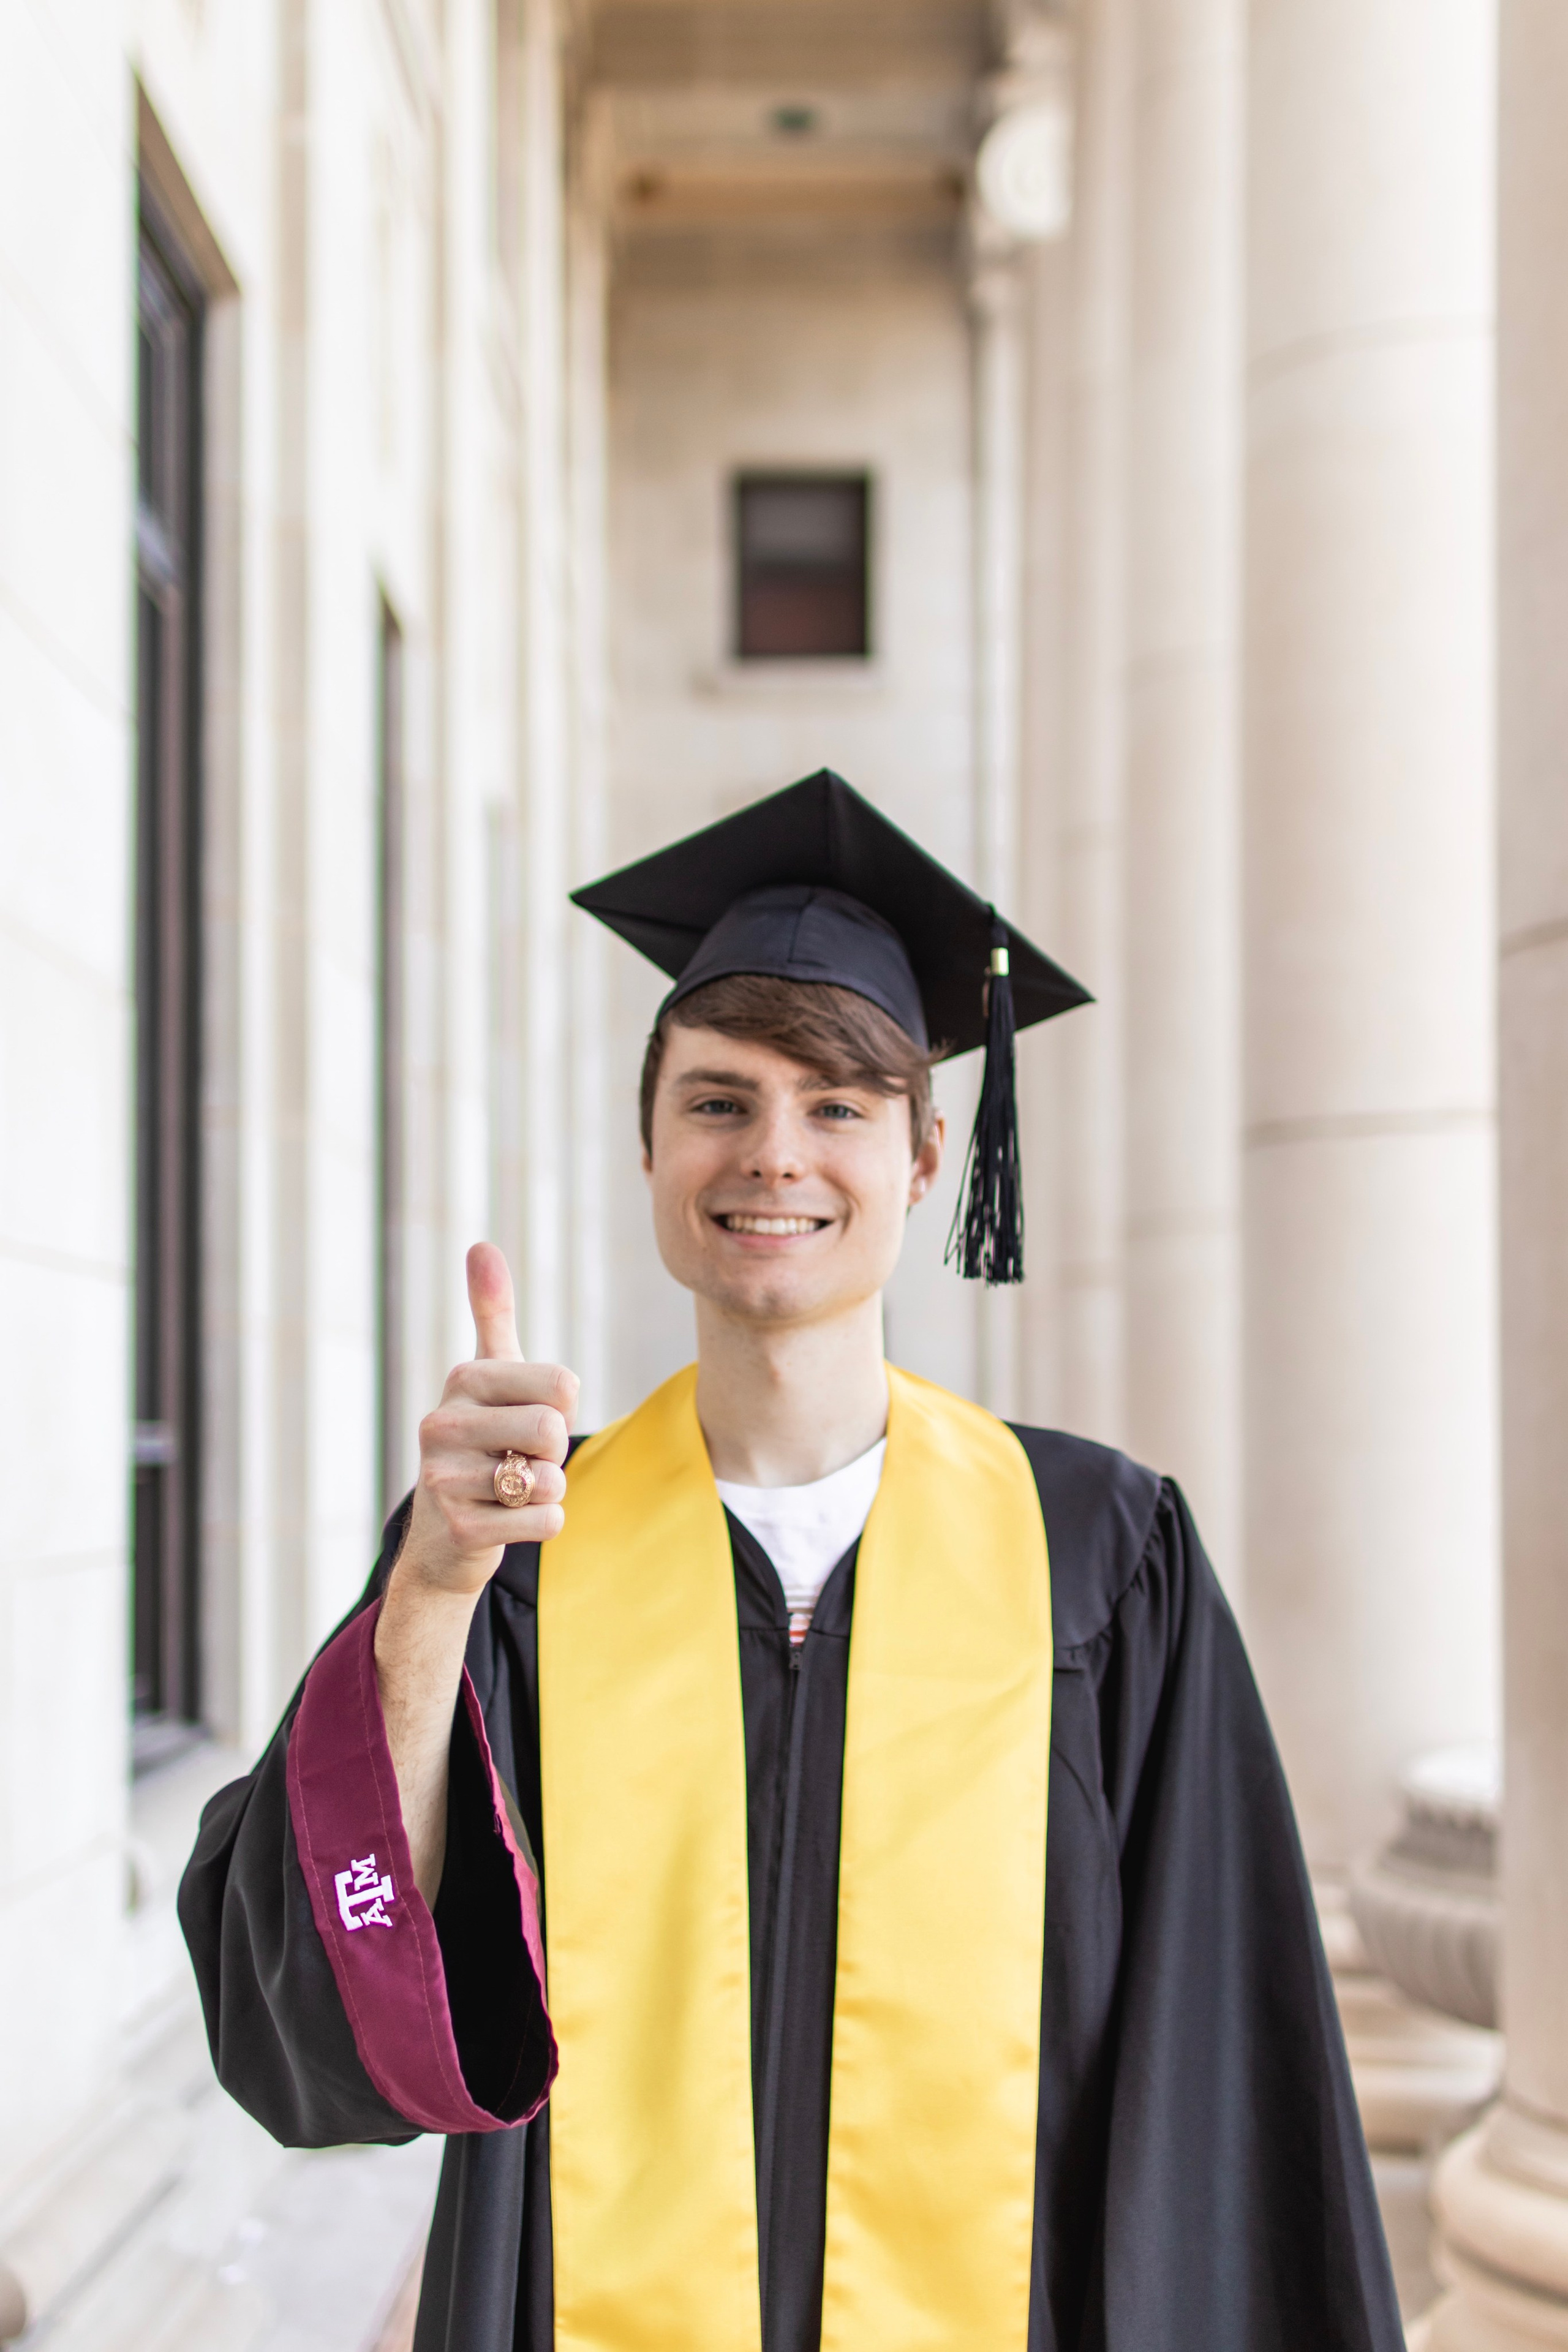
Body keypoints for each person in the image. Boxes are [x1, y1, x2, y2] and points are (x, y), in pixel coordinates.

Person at [181, 771, 1404, 2352]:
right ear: (648, 1148)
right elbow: (316, 2009)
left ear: (926, 1156)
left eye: (837, 1106)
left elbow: (1224, 2076)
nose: (775, 1156)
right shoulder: (518, 1552)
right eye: (719, 1102)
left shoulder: (1102, 1562)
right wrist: (428, 1590)